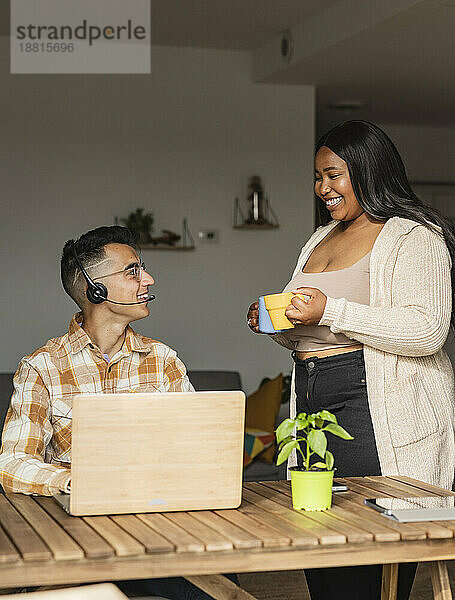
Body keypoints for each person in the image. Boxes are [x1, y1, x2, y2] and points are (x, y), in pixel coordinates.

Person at [247, 120, 455, 600]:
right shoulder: (317, 240)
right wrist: (275, 322)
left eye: (333, 175)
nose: (323, 188)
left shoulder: (412, 238)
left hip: (373, 406)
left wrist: (331, 309)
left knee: (372, 552)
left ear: (367, 171)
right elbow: (311, 334)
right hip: (312, 401)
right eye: (318, 177)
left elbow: (427, 330)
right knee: (316, 547)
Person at [0, 225, 236, 600]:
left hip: (158, 535)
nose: (149, 279)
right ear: (96, 288)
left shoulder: (163, 361)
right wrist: (79, 482)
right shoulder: (41, 367)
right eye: (133, 271)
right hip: (77, 541)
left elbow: (198, 454)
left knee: (220, 591)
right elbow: (11, 463)